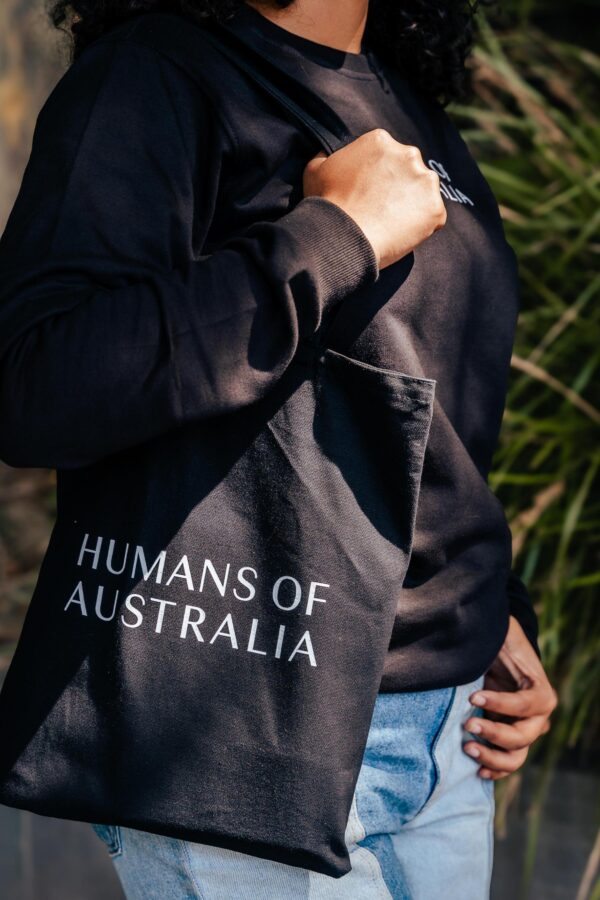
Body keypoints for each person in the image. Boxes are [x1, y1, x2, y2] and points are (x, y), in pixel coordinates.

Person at [0, 0, 557, 897]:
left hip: (447, 739)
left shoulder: (409, 104)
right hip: (249, 733)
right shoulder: (155, 77)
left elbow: (433, 407)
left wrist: (496, 606)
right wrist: (334, 239)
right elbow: (36, 383)